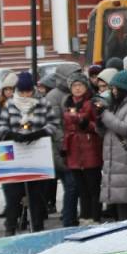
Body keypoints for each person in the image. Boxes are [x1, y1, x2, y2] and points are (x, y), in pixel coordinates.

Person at [0, 71, 59, 235]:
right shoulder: (10, 104)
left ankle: (37, 226)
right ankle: (10, 227)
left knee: (36, 195)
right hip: (15, 155)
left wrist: (39, 133)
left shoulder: (43, 103)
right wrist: (11, 135)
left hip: (37, 153)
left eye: (28, 91)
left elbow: (53, 124)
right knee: (13, 195)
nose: (25, 94)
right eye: (22, 91)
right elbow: (1, 126)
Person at [100, 68, 127, 219]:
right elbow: (107, 131)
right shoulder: (115, 105)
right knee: (120, 201)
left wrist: (104, 115)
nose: (112, 91)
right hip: (113, 158)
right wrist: (97, 121)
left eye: (114, 88)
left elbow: (125, 128)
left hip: (125, 157)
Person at [62, 73, 103, 224]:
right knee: (81, 189)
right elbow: (65, 127)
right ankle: (85, 217)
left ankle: (95, 217)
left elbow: (98, 125)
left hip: (90, 148)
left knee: (93, 187)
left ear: (85, 87)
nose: (77, 88)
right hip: (74, 150)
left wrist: (84, 122)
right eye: (74, 86)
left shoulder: (91, 102)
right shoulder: (67, 103)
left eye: (80, 85)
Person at [42, 67, 77, 226]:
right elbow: (54, 125)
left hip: (74, 147)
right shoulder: (53, 97)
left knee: (74, 184)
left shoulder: (75, 93)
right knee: (71, 184)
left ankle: (69, 215)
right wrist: (65, 143)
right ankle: (68, 219)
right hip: (61, 149)